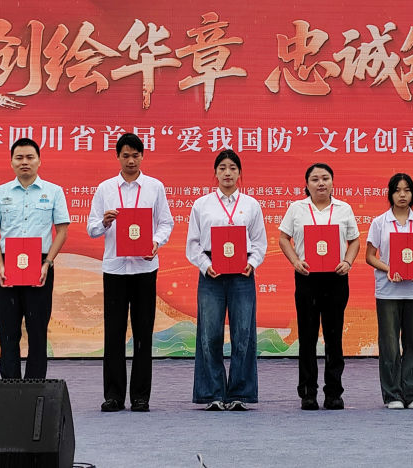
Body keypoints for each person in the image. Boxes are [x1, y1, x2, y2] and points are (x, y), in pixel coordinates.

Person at [88, 132, 174, 412]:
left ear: (142, 156)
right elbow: (91, 228)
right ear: (117, 157)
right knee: (113, 334)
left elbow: (166, 222)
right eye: (125, 155)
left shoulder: (155, 187)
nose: (131, 160)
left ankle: (140, 396)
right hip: (114, 269)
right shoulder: (105, 189)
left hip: (144, 268)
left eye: (136, 155)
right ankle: (113, 395)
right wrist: (104, 222)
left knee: (143, 334)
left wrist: (156, 242)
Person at [186, 150, 267, 411]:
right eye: (222, 168)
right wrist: (205, 265)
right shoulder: (202, 205)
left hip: (242, 273)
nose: (228, 173)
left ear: (240, 173)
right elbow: (193, 243)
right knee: (209, 334)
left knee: (243, 333)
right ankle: (212, 393)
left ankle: (240, 394)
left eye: (233, 167)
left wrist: (252, 263)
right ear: (215, 173)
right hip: (212, 272)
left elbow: (259, 241)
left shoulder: (251, 204)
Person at [0, 138, 69, 379]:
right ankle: (10, 386)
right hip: (7, 265)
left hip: (40, 265)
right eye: (19, 157)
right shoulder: (0, 193)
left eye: (30, 157)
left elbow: (62, 231)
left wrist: (47, 263)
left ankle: (35, 386)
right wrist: (0, 264)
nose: (24, 162)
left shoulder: (54, 191)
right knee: (8, 330)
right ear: (11, 162)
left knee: (37, 330)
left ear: (39, 161)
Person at [278, 163, 360, 410]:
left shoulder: (344, 208)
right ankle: (308, 392)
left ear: (333, 182)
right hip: (307, 277)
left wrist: (348, 262)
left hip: (336, 278)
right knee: (307, 337)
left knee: (334, 337)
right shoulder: (296, 208)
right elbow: (283, 238)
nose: (321, 183)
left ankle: (334, 392)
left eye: (325, 178)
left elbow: (355, 240)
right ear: (307, 184)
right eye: (315, 179)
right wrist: (295, 261)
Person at [365, 173, 413, 409]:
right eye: (397, 190)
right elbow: (369, 256)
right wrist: (389, 269)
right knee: (389, 345)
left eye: (407, 190)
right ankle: (392, 395)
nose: (402, 195)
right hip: (388, 291)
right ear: (390, 194)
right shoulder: (380, 222)